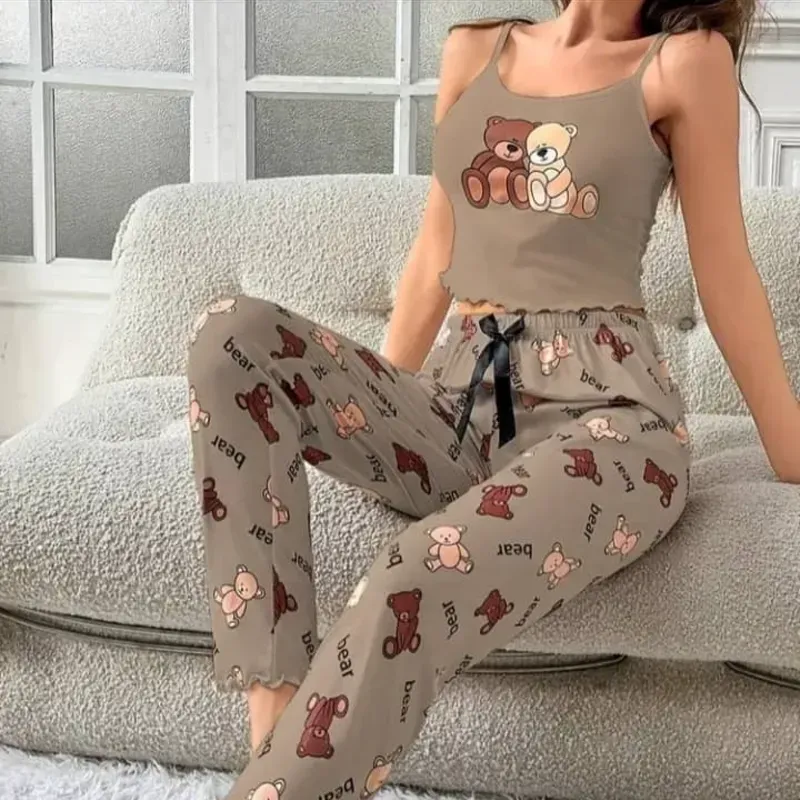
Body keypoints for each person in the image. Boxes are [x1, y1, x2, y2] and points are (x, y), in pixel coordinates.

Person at [187, 2, 800, 798]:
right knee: (231, 335)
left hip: (611, 426)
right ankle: (273, 749)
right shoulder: (474, 51)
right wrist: (370, 410)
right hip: (457, 403)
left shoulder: (684, 63)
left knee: (412, 573)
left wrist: (790, 453)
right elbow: (432, 257)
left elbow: (727, 275)